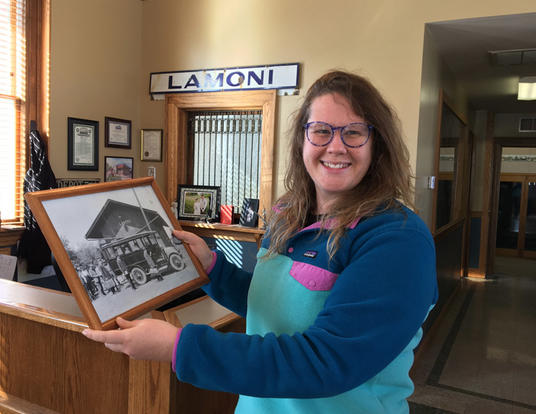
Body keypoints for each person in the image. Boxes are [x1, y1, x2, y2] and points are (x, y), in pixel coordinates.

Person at [82, 70, 438, 413]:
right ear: (302, 140)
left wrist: (178, 346)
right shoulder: (287, 213)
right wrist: (212, 269)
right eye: (322, 131)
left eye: (354, 133)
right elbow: (274, 307)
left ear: (377, 144)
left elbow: (328, 361)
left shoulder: (397, 239)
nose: (336, 146)